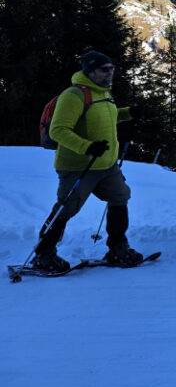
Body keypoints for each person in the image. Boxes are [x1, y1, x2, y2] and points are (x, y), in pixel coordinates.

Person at [32, 51, 144, 271]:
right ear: (90, 71)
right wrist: (87, 147)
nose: (110, 73)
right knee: (66, 209)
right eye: (104, 69)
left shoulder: (103, 93)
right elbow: (58, 130)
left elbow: (108, 118)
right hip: (77, 166)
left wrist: (128, 113)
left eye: (111, 68)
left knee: (120, 197)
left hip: (106, 165)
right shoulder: (74, 95)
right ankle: (43, 254)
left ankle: (118, 247)